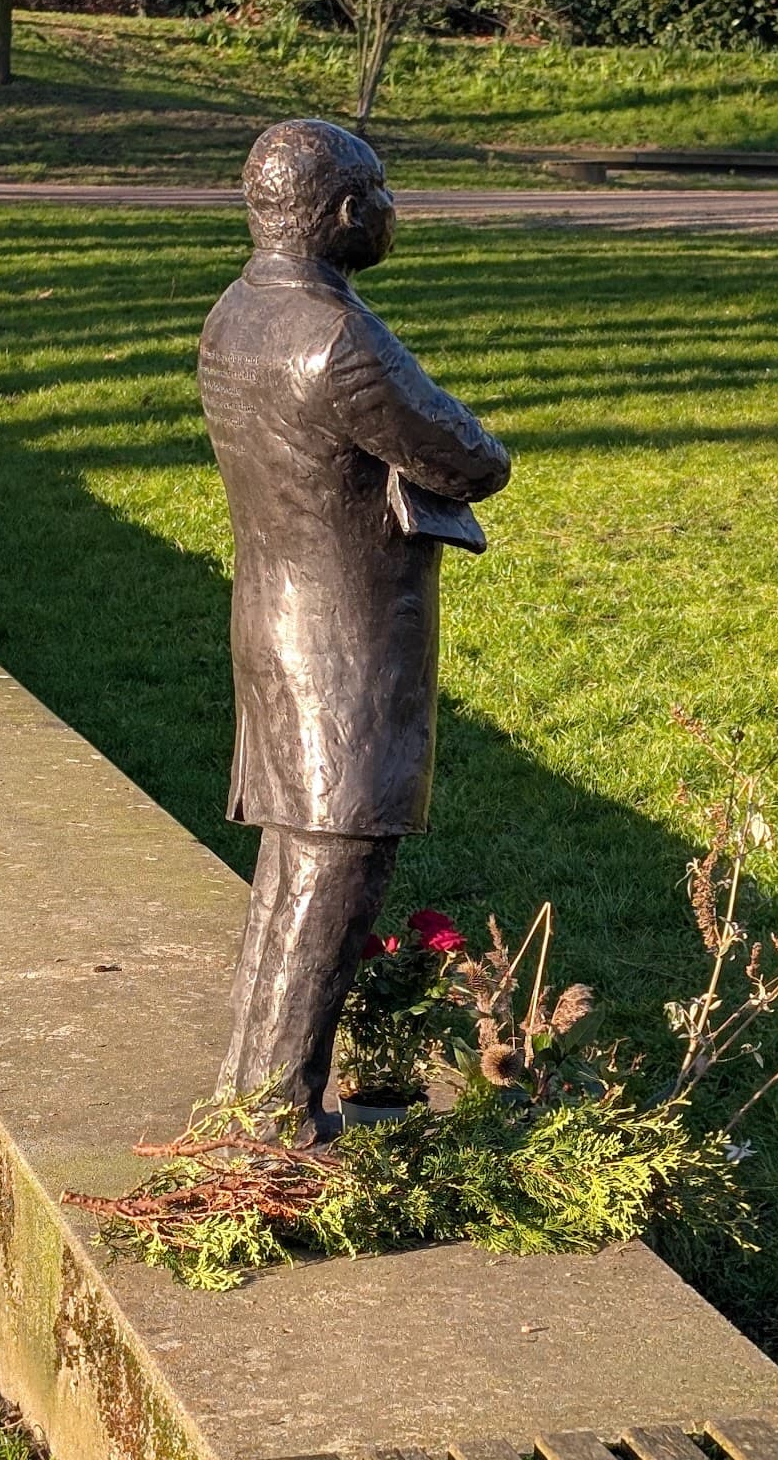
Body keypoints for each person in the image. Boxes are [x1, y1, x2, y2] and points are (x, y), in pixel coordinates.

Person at [199, 118, 510, 1140]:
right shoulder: (334, 337)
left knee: (293, 865)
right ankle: (278, 1115)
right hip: (344, 638)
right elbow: (466, 457)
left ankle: (250, 1094)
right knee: (336, 869)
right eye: (377, 194)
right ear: (339, 214)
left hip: (272, 618)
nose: (388, 211)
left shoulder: (235, 313)